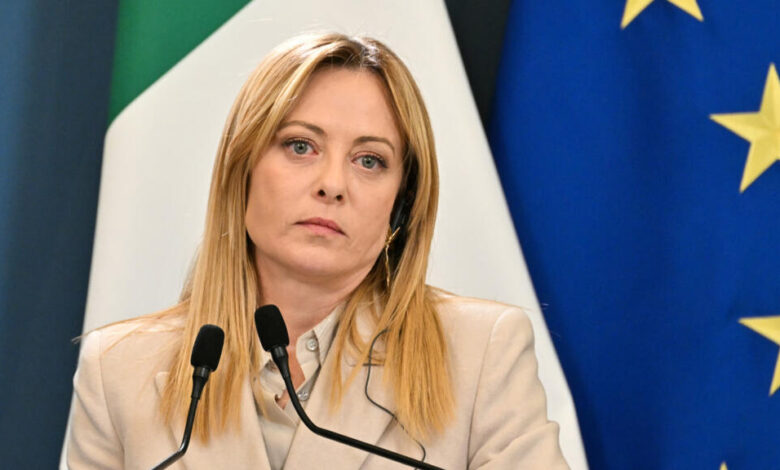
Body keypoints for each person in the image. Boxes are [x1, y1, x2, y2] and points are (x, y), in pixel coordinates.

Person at [66, 33, 569, 469]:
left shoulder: (481, 354)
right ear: (241, 172)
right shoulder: (118, 369)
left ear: (401, 204)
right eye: (300, 146)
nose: (332, 184)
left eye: (369, 160)